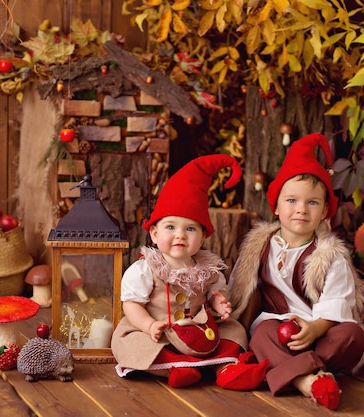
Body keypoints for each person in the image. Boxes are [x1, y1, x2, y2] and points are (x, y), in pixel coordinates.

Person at [228, 133, 364, 410]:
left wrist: (315, 329)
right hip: (276, 326)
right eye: (292, 200)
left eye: (312, 203)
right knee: (260, 335)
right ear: (276, 206)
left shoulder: (330, 256)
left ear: (325, 211)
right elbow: (240, 289)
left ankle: (289, 371)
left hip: (320, 333)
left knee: (352, 335)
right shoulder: (259, 248)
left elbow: (337, 304)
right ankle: (308, 381)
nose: (301, 210)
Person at [111, 154, 269, 390]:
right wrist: (147, 325)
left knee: (235, 333)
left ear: (204, 235)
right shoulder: (146, 269)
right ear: (154, 234)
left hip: (200, 330)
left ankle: (226, 370)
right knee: (131, 344)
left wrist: (219, 304)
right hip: (159, 333)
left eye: (191, 228)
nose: (180, 235)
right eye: (170, 227)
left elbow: (215, 294)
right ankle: (175, 368)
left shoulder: (208, 269)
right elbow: (131, 305)